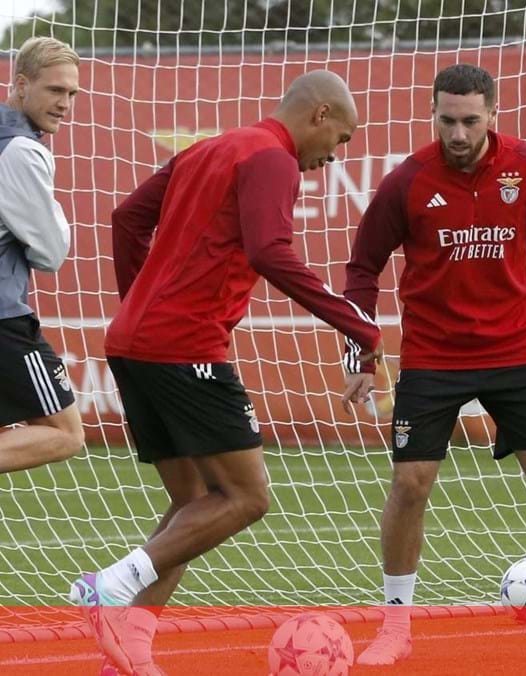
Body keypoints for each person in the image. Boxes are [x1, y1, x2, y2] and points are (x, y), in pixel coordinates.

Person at [68, 70, 382, 675]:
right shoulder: (274, 159)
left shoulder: (211, 148)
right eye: (340, 139)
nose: (334, 156)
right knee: (246, 497)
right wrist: (359, 327)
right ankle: (110, 586)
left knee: (192, 505)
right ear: (318, 116)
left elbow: (127, 217)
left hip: (135, 343)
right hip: (186, 346)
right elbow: (271, 251)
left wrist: (141, 305)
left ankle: (128, 652)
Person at [344, 64, 526, 664]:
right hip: (432, 356)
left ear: (493, 115)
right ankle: (396, 625)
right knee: (410, 484)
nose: (458, 133)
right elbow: (362, 268)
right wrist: (361, 352)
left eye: (470, 120)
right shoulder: (406, 182)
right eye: (447, 120)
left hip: (516, 351)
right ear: (433, 114)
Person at [0, 37, 85, 473]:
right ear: (20, 85)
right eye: (55, 90)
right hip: (4, 321)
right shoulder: (21, 151)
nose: (65, 103)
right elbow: (52, 254)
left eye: (71, 93)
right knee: (65, 432)